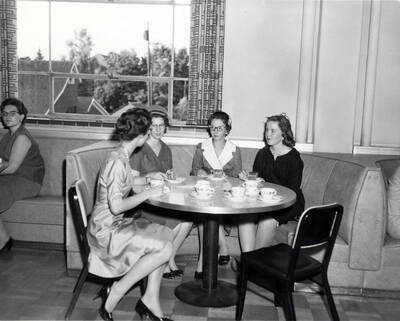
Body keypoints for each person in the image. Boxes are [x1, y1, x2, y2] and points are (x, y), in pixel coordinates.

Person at [87, 108, 174, 321]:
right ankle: (116, 291)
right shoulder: (118, 161)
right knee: (165, 250)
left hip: (114, 223)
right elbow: (116, 207)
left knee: (166, 235)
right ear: (143, 136)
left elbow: (129, 182)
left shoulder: (121, 153)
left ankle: (150, 299)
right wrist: (149, 193)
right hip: (106, 231)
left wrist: (150, 180)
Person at [130, 107, 193, 278]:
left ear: (166, 127)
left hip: (163, 200)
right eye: (153, 126)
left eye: (161, 125)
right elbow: (131, 183)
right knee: (175, 223)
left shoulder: (166, 149)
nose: (157, 129)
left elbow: (168, 177)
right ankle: (164, 264)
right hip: (144, 205)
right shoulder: (139, 149)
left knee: (187, 221)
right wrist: (150, 175)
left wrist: (170, 176)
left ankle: (168, 259)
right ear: (147, 128)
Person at [238, 113, 305, 252]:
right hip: (263, 202)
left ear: (283, 134)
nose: (268, 134)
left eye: (273, 131)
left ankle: (253, 265)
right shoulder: (262, 153)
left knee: (267, 221)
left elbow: (291, 192)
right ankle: (249, 263)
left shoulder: (294, 158)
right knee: (244, 218)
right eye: (266, 130)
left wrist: (264, 185)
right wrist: (250, 180)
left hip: (288, 204)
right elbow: (257, 180)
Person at [190, 111, 242, 279]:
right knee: (206, 210)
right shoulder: (201, 147)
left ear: (227, 129)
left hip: (225, 194)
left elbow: (237, 178)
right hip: (206, 191)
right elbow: (193, 171)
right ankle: (222, 249)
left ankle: (202, 263)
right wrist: (201, 173)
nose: (216, 131)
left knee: (208, 213)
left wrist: (226, 179)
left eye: (220, 128)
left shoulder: (234, 150)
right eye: (212, 127)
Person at [0, 98, 44, 253]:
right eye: (4, 113)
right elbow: (3, 162)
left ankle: (3, 240)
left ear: (22, 116)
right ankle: (3, 239)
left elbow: (11, 167)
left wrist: (3, 164)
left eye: (13, 113)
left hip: (28, 181)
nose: (7, 117)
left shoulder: (22, 137)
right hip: (12, 178)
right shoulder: (8, 136)